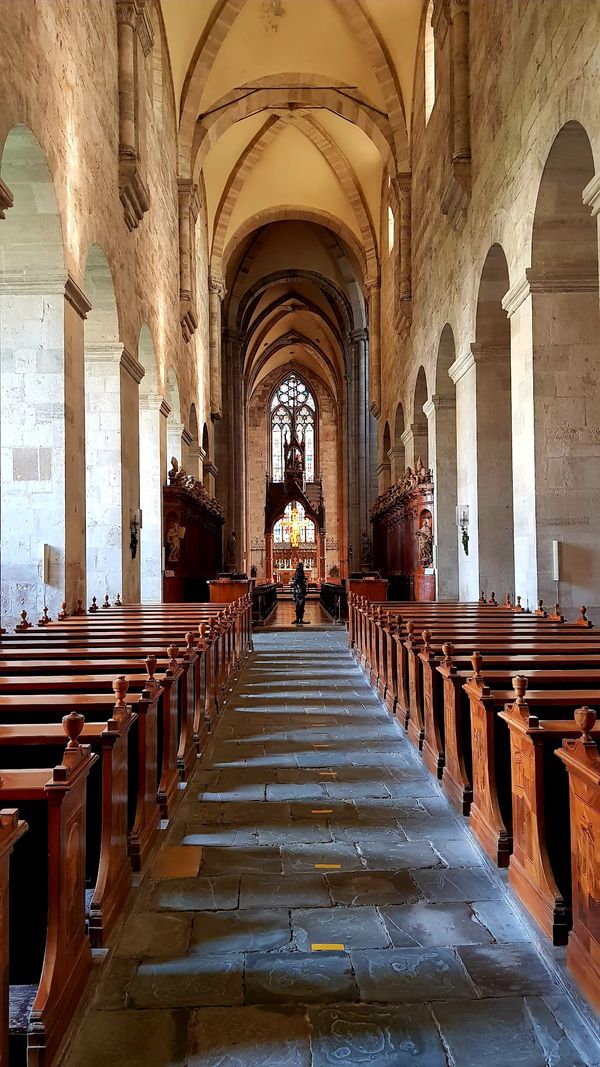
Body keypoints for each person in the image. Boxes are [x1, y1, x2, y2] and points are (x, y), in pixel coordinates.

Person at [290, 560, 308, 624]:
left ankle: (299, 619)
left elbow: (297, 580)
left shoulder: (297, 571)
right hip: (300, 591)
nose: (302, 567)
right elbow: (299, 580)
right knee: (300, 606)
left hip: (298, 591)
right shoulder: (300, 571)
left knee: (299, 606)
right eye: (301, 566)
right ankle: (299, 619)